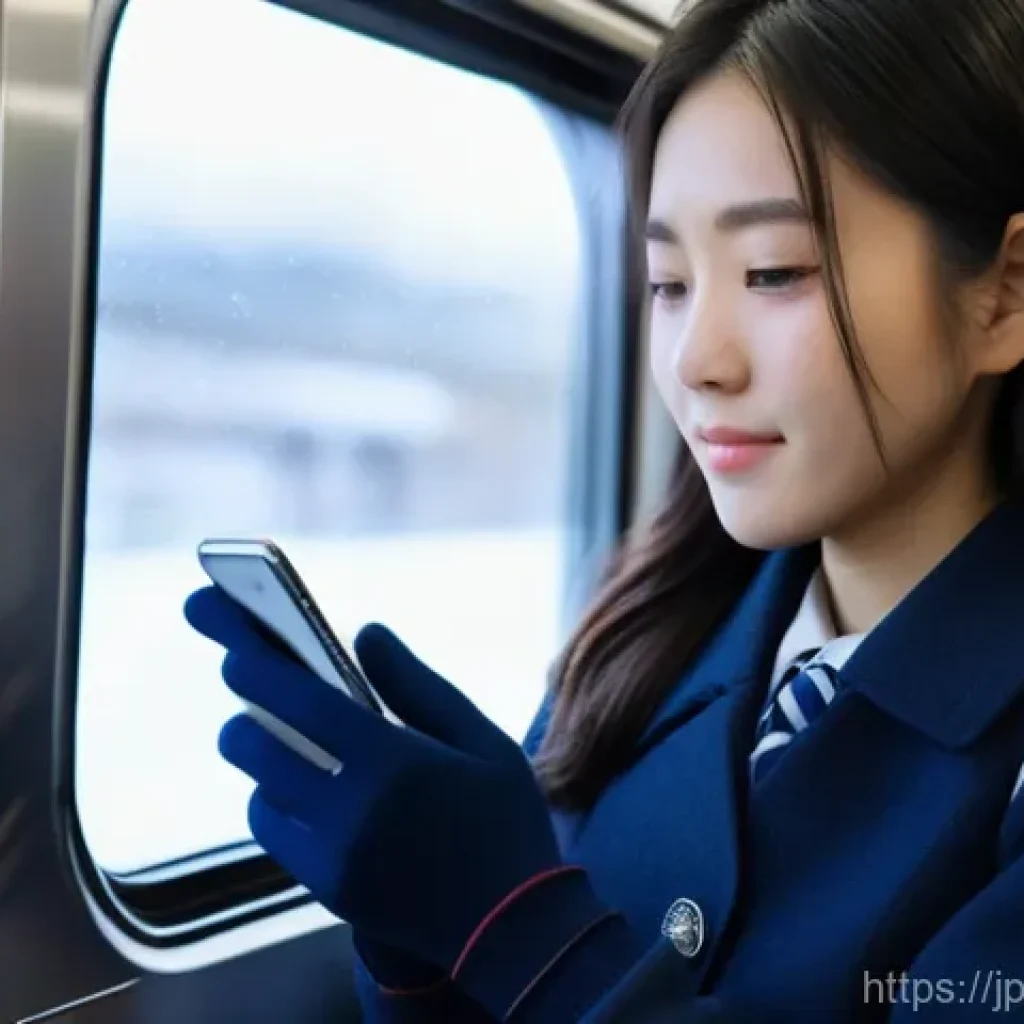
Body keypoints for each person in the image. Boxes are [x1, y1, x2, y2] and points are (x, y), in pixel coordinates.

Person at [184, 0, 1024, 1019]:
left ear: (1004, 295)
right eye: (668, 282)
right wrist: (416, 935)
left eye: (774, 273)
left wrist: (515, 926)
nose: (696, 362)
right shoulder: (651, 633)